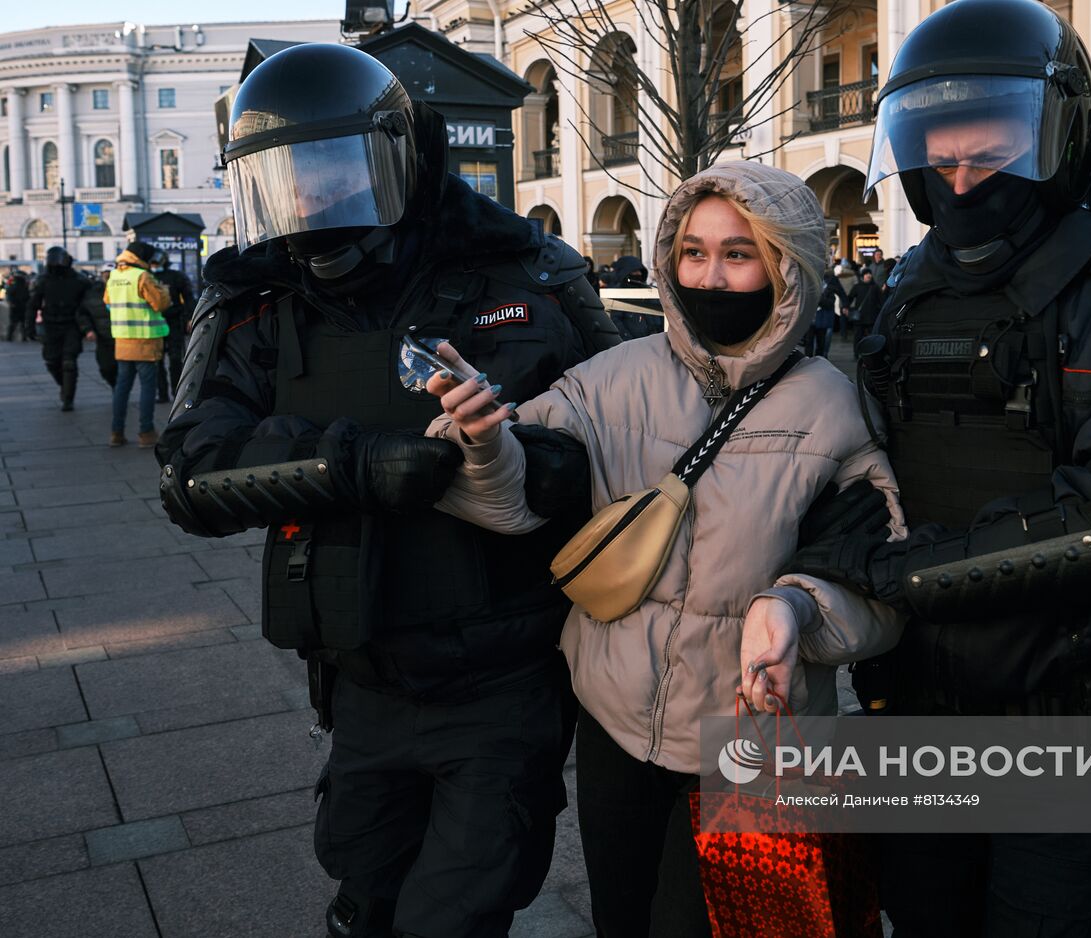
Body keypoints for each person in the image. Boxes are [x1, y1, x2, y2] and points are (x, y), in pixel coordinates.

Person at [154, 43, 619, 938]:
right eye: (283, 181)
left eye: (333, 172)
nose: (310, 204)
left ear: (401, 157)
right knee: (364, 900)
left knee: (456, 914)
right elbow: (189, 477)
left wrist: (511, 459)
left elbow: (624, 445)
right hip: (360, 677)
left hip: (504, 677)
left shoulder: (531, 274)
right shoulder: (257, 303)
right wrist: (357, 465)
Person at [790, 1, 1091, 934]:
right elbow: (862, 456)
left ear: (1057, 135)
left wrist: (899, 573)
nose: (960, 179)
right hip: (918, 704)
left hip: (1075, 708)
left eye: (988, 152)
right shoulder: (904, 292)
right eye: (938, 156)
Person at [424, 161, 904, 938]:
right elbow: (510, 499)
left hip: (751, 733)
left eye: (739, 253)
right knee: (623, 918)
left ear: (787, 265)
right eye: (693, 252)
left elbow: (879, 591)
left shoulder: (835, 406)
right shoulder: (610, 378)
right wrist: (482, 443)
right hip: (613, 727)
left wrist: (797, 610)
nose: (710, 274)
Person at [107, 241, 171, 447]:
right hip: (145, 340)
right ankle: (146, 433)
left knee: (122, 388)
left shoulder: (114, 276)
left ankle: (116, 433)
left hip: (122, 341)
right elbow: (161, 304)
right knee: (147, 388)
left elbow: (107, 301)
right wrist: (164, 290)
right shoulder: (142, 276)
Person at [27, 247, 91, 411]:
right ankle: (64, 386)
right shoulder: (44, 281)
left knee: (69, 362)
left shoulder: (79, 281)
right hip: (51, 325)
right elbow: (33, 305)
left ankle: (68, 399)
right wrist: (30, 327)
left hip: (72, 325)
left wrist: (89, 327)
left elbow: (90, 305)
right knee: (52, 361)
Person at [150, 250, 195, 404]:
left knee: (175, 359)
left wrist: (190, 317)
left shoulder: (176, 276)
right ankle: (162, 394)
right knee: (158, 361)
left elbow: (189, 296)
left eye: (156, 263)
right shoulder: (147, 276)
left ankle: (177, 392)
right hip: (155, 322)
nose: (154, 266)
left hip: (174, 322)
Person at [808, 265, 846, 357]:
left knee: (823, 338)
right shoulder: (808, 276)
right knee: (810, 341)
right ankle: (813, 358)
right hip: (811, 317)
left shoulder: (830, 280)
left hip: (824, 315)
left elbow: (840, 293)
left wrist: (845, 305)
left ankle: (823, 356)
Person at [846, 267, 882, 347]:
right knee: (858, 336)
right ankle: (857, 352)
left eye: (869, 274)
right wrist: (846, 307)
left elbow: (881, 300)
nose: (868, 275)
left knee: (872, 336)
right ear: (863, 276)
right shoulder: (857, 286)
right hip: (859, 317)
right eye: (866, 274)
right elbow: (850, 298)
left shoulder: (875, 287)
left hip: (872, 316)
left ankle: (871, 352)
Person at [5, 270, 32, 341]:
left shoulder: (13, 286)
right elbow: (28, 297)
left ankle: (10, 337)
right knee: (22, 323)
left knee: (14, 324)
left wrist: (12, 304)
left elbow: (9, 296)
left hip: (16, 307)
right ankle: (24, 337)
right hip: (22, 307)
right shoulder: (25, 287)